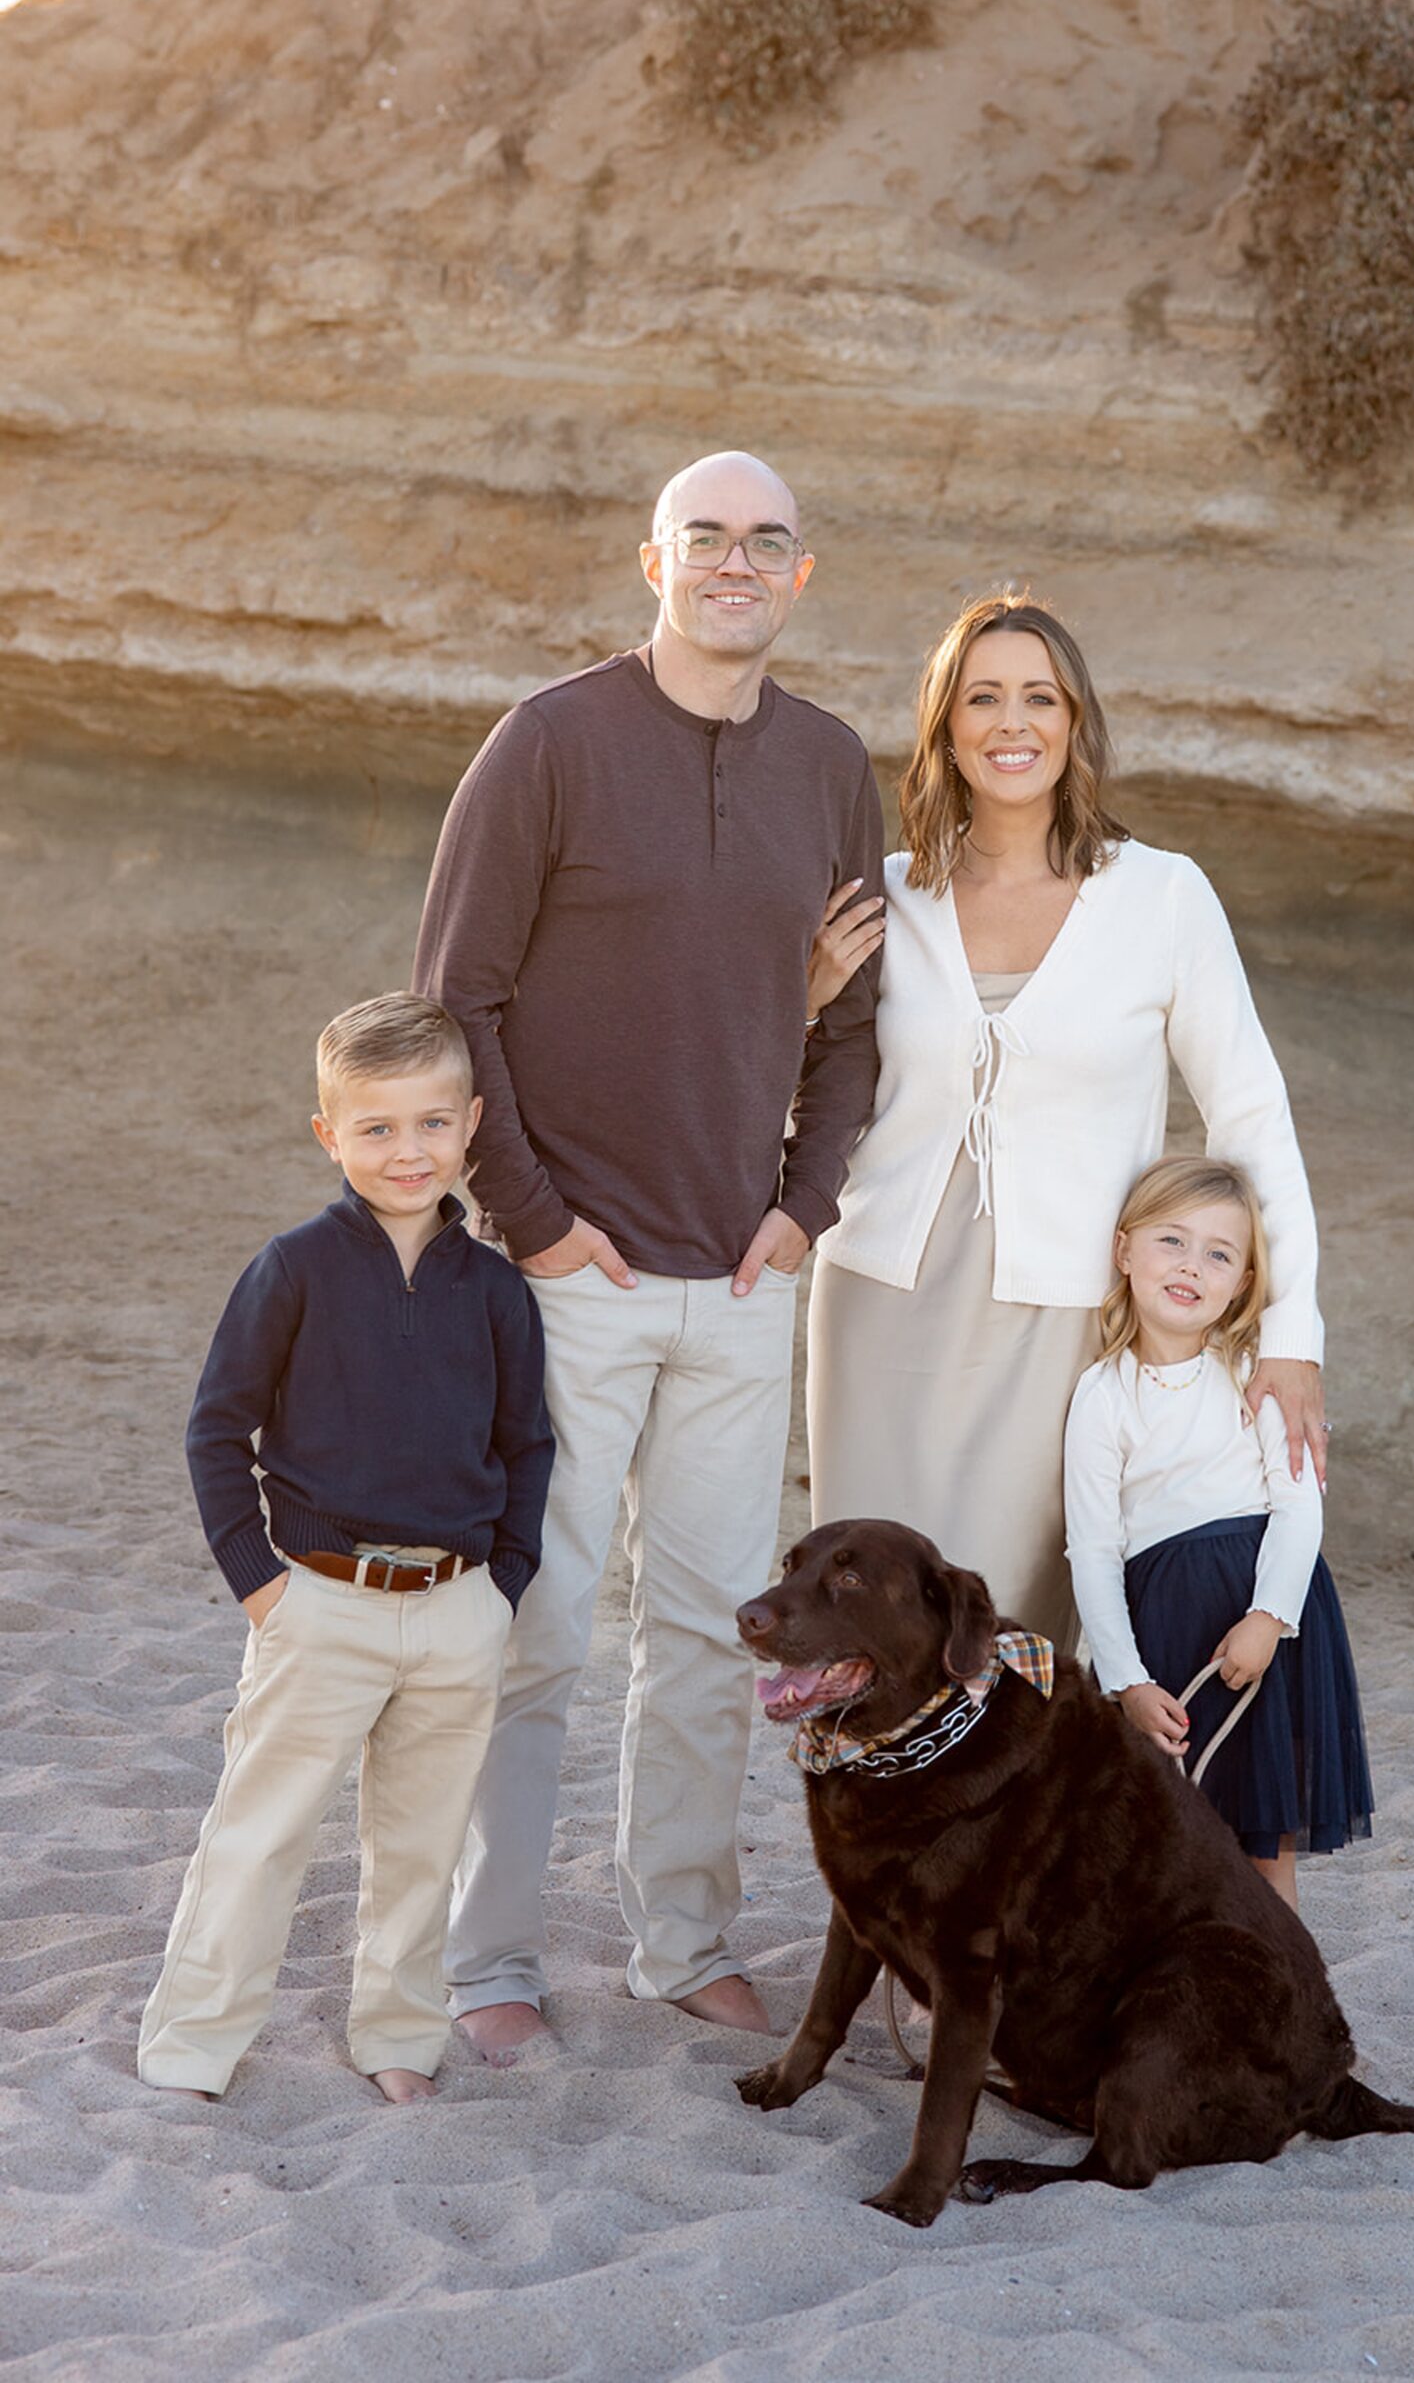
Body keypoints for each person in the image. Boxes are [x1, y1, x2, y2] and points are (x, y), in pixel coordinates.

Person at [414, 450, 883, 2058]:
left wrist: (797, 1211)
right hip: (569, 1282)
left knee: (708, 1634)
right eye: (707, 539)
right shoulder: (547, 741)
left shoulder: (829, 765)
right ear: (652, 560)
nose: (735, 563)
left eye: (767, 541)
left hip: (742, 1285)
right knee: (530, 1633)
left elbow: (854, 1027)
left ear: (801, 574)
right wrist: (535, 1226)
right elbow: (454, 1005)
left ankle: (679, 1941)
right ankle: (484, 1965)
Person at [807, 592, 1326, 1647]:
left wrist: (1291, 1330)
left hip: (1067, 1314)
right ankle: (875, 1816)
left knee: (1009, 1624)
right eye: (982, 697)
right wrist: (804, 994)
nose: (1012, 723)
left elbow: (1250, 1116)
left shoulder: (1162, 897)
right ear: (945, 725)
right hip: (878, 1302)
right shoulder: (888, 895)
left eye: (1039, 697)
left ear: (1075, 722)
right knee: (866, 1615)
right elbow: (803, 1088)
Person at [137, 993, 552, 2102]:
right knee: (260, 1835)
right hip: (318, 1603)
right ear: (329, 1134)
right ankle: (194, 2046)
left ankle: (400, 2040)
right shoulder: (295, 1268)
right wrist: (261, 1587)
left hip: (457, 1607)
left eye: (428, 1123)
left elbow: (528, 1443)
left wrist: (502, 1586)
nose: (405, 1150)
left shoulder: (500, 1291)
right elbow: (216, 1429)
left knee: (419, 1849)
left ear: (469, 1123)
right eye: (375, 1127)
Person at [1062, 1154, 1372, 1911]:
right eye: (1171, 1240)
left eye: (1218, 1254)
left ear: (1241, 1284)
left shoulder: (1252, 1374)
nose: (1191, 1266)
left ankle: (1277, 2011)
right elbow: (1094, 1548)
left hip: (1265, 1616)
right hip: (1166, 1626)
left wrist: (1267, 1618)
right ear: (1123, 1250)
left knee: (1261, 1854)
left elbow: (1299, 1506)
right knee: (1166, 1849)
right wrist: (1128, 1681)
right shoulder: (1101, 1395)